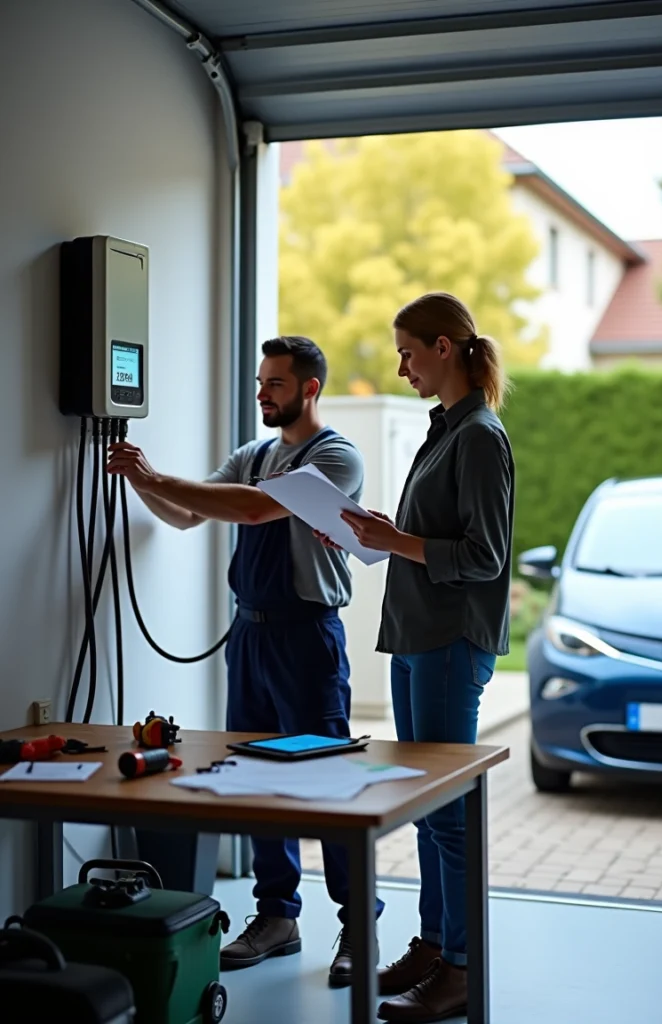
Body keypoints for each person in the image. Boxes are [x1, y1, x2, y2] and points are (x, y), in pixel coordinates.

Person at [107, 334, 384, 988]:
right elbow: (185, 515)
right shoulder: (253, 454)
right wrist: (140, 483)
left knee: (327, 782)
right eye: (261, 382)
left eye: (275, 383)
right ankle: (277, 917)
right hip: (250, 637)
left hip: (307, 637)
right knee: (257, 780)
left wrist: (155, 476)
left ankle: (359, 925)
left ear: (310, 389)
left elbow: (258, 510)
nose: (262, 393)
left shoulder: (336, 456)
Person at [318, 293, 515, 1023]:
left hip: (449, 642)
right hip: (416, 638)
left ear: (443, 347)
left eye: (407, 352)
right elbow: (435, 536)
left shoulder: (480, 437)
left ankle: (460, 968)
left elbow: (485, 556)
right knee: (430, 811)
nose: (401, 367)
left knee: (449, 814)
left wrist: (396, 539)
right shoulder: (446, 429)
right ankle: (435, 948)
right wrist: (379, 532)